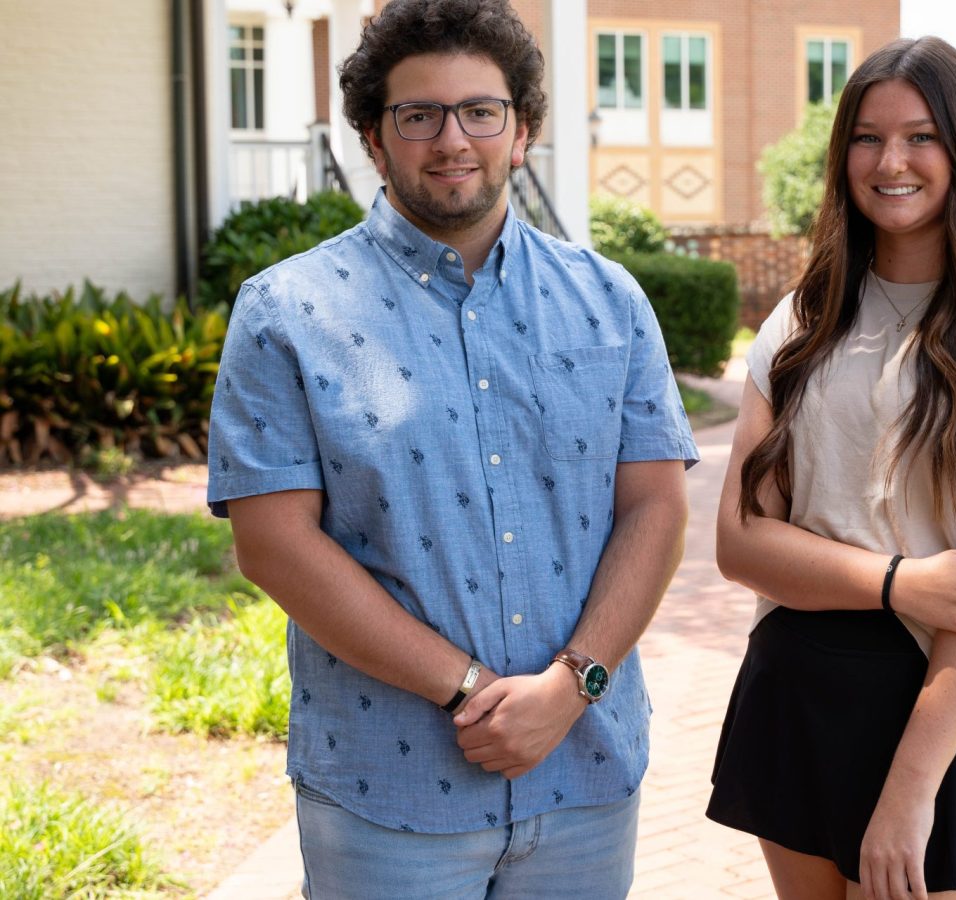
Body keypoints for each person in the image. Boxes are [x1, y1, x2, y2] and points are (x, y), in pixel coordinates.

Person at [206, 1, 697, 896]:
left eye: (481, 110)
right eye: (417, 114)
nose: (452, 139)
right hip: (387, 797)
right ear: (372, 136)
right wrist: (469, 688)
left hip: (585, 775)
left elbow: (656, 505)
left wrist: (570, 684)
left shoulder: (611, 300)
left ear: (522, 132)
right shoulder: (289, 311)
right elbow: (272, 544)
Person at [706, 36, 956, 900]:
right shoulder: (801, 318)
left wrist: (910, 790)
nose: (891, 161)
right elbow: (740, 544)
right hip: (800, 682)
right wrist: (901, 582)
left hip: (952, 708)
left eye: (921, 136)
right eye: (867, 137)